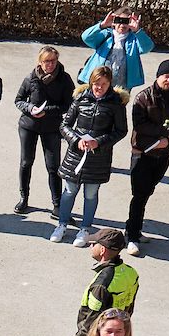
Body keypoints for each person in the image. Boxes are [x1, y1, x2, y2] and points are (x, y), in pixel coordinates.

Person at [48, 65, 128, 244]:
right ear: (91, 82)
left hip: (98, 157)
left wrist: (98, 142)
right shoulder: (80, 98)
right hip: (76, 155)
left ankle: (85, 229)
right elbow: (65, 125)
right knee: (69, 191)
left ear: (110, 84)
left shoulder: (116, 104)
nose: (99, 87)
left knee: (90, 194)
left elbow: (121, 131)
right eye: (96, 83)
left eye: (104, 84)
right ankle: (61, 225)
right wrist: (76, 140)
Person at [121, 58, 169, 253]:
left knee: (148, 191)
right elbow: (140, 125)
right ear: (158, 76)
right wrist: (166, 133)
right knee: (139, 194)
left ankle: (136, 228)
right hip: (142, 153)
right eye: (166, 76)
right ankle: (131, 235)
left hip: (164, 154)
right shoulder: (143, 97)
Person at [13, 45, 74, 216]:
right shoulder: (31, 78)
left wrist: (48, 111)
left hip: (52, 127)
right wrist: (30, 108)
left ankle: (57, 204)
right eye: (46, 61)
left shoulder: (64, 79)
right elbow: (18, 100)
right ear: (40, 62)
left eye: (53, 61)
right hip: (28, 126)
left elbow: (69, 105)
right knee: (26, 162)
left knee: (53, 166)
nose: (50, 64)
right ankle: (24, 198)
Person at [78, 9, 153, 90]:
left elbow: (147, 47)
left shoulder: (134, 40)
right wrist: (102, 25)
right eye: (119, 21)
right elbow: (86, 37)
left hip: (121, 85)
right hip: (99, 83)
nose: (122, 25)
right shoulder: (106, 35)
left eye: (126, 21)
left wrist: (137, 31)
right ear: (114, 22)